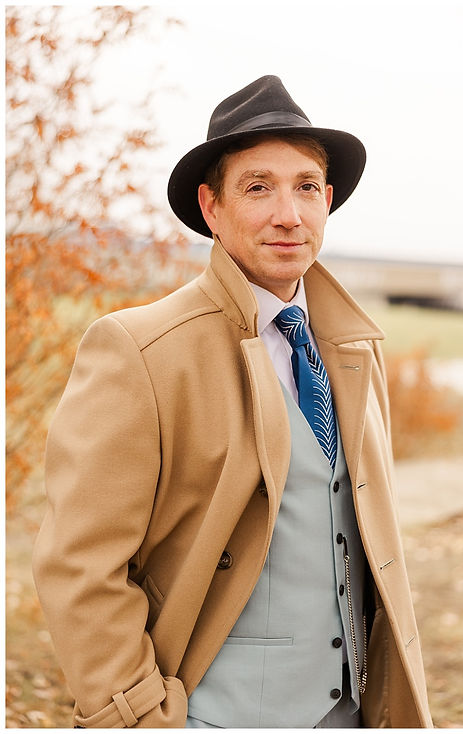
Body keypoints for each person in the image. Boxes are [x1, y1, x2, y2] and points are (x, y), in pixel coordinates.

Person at [33, 75, 432, 728]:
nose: (289, 213)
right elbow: (80, 567)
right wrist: (138, 716)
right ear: (211, 208)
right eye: (258, 187)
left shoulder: (358, 348)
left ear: (327, 201)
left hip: (350, 713)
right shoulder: (139, 349)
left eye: (306, 187)